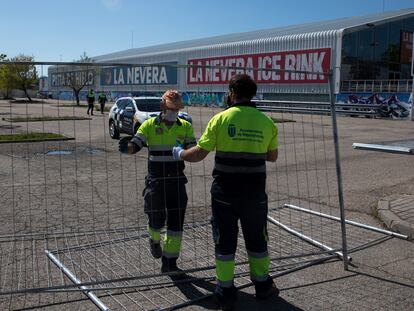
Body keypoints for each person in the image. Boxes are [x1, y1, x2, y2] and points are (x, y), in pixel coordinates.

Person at [173, 74, 279, 310]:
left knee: (224, 241)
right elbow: (272, 156)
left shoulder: (220, 119)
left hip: (225, 193)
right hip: (254, 194)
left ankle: (226, 291)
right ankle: (262, 285)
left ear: (232, 91)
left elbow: (200, 153)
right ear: (252, 93)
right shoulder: (267, 122)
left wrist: (178, 153)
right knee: (258, 238)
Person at [119, 90, 196, 274]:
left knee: (176, 224)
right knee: (156, 220)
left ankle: (169, 263)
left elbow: (192, 149)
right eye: (171, 108)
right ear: (162, 106)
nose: (174, 112)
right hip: (156, 182)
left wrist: (196, 150)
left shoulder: (185, 126)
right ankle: (154, 239)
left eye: (177, 109)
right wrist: (127, 147)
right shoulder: (149, 125)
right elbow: (136, 144)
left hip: (177, 181)